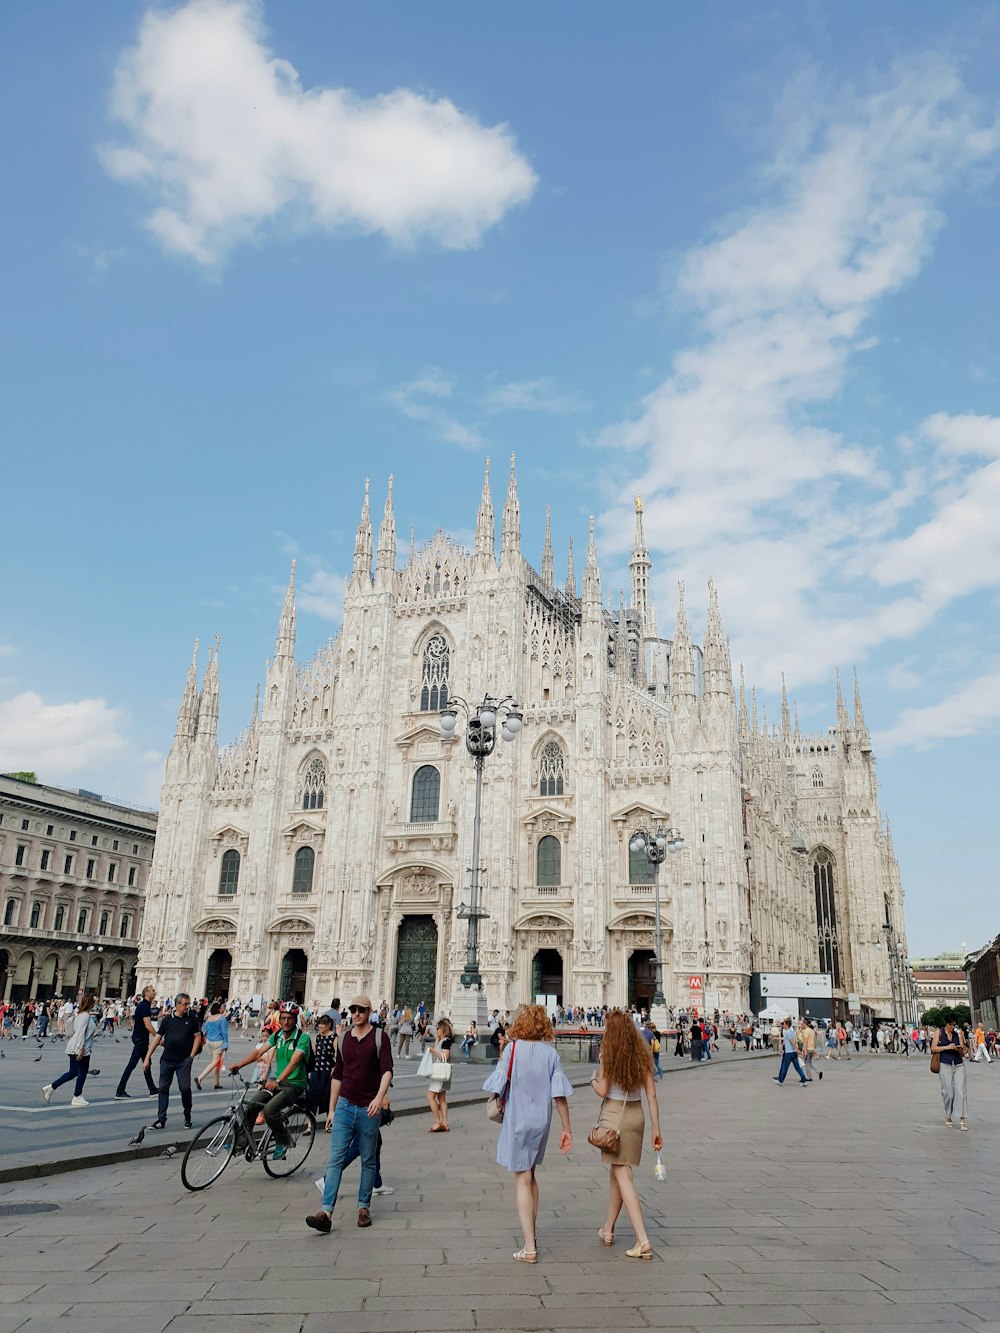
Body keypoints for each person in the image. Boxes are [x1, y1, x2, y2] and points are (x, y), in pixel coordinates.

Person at [482, 1004, 573, 1263]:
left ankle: (530, 1247)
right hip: (541, 1121)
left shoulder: (512, 1050)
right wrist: (566, 1128)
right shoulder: (551, 1054)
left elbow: (495, 1085)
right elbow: (560, 1095)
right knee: (531, 1175)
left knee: (522, 1179)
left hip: (518, 1120)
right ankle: (530, 1234)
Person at [306, 994, 394, 1234]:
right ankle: (326, 1212)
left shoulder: (379, 1037)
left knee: (368, 1160)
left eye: (361, 1010)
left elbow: (387, 1071)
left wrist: (378, 1098)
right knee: (335, 1159)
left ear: (369, 1012)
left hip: (369, 1108)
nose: (356, 1013)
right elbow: (337, 1074)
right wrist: (332, 1109)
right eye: (353, 1009)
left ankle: (363, 1208)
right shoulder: (344, 1038)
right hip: (344, 1106)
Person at [590, 1009, 662, 1259]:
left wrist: (593, 1080)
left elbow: (602, 1091)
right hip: (636, 1115)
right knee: (617, 1173)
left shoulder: (608, 1054)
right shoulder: (642, 1055)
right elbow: (651, 1095)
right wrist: (656, 1129)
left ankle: (642, 1239)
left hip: (614, 1116)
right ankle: (608, 1229)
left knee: (623, 1175)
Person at [229, 1002, 311, 1157]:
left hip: (294, 1084)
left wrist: (278, 1081)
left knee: (269, 1110)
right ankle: (242, 1144)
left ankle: (283, 1140)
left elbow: (294, 1062)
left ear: (295, 1020)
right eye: (284, 1018)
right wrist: (239, 1065)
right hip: (278, 1081)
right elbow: (259, 1052)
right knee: (252, 1106)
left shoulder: (303, 1038)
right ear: (279, 1019)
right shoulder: (277, 1035)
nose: (286, 1022)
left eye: (290, 1019)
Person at [144, 992, 202, 1130]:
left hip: (184, 1060)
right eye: (185, 1004)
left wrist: (191, 1056)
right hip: (167, 1060)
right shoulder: (167, 1020)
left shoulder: (192, 1018)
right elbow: (157, 1038)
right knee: (163, 1088)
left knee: (185, 1088)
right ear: (177, 1005)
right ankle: (161, 1119)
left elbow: (197, 1037)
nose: (188, 1006)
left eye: (188, 1004)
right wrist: (147, 1057)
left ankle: (187, 1115)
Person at [43, 993, 98, 1107]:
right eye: (94, 1001)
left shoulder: (81, 1015)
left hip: (76, 1047)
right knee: (82, 1072)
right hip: (78, 1048)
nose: (96, 1003)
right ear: (90, 1003)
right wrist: (81, 1049)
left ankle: (51, 1088)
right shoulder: (85, 1016)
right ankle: (77, 1096)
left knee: (73, 1072)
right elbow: (80, 1033)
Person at [115, 986, 159, 1099]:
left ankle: (153, 1089)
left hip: (141, 1039)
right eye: (153, 990)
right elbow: (148, 1025)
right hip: (140, 1040)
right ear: (146, 994)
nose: (155, 992)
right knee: (132, 1064)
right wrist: (158, 1038)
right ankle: (120, 1090)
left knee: (147, 1063)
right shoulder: (144, 1006)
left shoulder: (145, 1005)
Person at [932, 1013, 968, 1130]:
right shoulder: (939, 1032)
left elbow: (963, 1052)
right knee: (948, 1093)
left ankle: (962, 1119)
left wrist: (959, 1047)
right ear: (947, 1024)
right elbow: (933, 1048)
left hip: (958, 1064)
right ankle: (948, 1115)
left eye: (954, 1025)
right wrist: (947, 1047)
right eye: (951, 1025)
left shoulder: (957, 1034)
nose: (953, 1027)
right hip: (945, 1063)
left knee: (961, 1091)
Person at [307, 1012, 338, 1125]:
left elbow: (338, 1056)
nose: (320, 1026)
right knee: (312, 1097)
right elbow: (315, 1054)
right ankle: (310, 1125)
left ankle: (329, 1122)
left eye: (323, 1024)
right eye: (319, 1024)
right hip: (317, 1070)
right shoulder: (318, 1037)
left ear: (329, 1025)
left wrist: (335, 1069)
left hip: (328, 1072)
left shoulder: (333, 1037)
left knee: (327, 1097)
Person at [194, 1002, 229, 1090]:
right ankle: (200, 1078)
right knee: (215, 1062)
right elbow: (224, 1032)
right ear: (218, 1009)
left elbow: (205, 1029)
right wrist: (226, 1043)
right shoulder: (222, 1018)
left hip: (209, 1042)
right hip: (218, 1042)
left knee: (216, 1062)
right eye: (222, 1007)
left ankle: (217, 1083)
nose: (223, 1009)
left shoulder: (209, 1018)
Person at [426, 1019, 454, 1131]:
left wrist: (433, 1051)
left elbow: (445, 1055)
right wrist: (438, 1038)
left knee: (430, 1096)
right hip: (442, 1073)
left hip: (440, 1073)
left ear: (443, 1030)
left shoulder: (446, 1041)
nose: (436, 1030)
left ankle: (437, 1121)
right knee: (441, 1098)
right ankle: (445, 1122)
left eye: (438, 1028)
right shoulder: (442, 1040)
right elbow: (438, 1048)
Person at [773, 1017, 809, 1086]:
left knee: (785, 1067)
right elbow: (791, 1040)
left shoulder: (788, 1032)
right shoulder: (793, 1031)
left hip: (789, 1053)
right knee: (798, 1067)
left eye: (784, 1024)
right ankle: (804, 1081)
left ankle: (780, 1081)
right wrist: (796, 1050)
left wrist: (797, 1050)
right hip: (793, 1052)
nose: (783, 1025)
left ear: (786, 1024)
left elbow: (792, 1042)